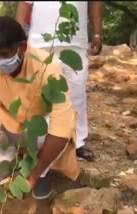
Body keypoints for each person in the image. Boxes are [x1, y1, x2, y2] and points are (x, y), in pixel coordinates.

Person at [0, 17, 79, 200]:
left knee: (56, 124)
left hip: (41, 132)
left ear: (22, 47)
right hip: (13, 123)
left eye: (5, 54)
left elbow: (61, 126)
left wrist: (34, 175)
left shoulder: (47, 67)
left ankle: (42, 171)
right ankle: (6, 161)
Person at [16, 1, 104, 161]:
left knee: (76, 94)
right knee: (38, 95)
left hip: (75, 42)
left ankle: (78, 141)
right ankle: (39, 140)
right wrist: (17, 35)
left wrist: (98, 33)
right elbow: (24, 4)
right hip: (40, 42)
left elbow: (95, 3)